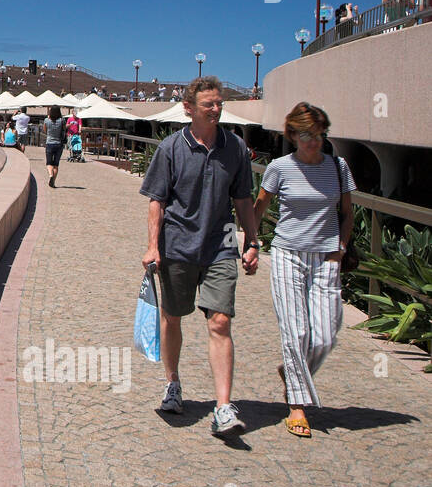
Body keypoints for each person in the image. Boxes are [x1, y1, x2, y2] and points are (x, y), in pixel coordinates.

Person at [139, 76, 260, 438]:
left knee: (220, 322)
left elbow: (242, 200)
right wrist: (152, 245)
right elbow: (156, 200)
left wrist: (253, 241)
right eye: (209, 104)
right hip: (177, 247)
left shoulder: (235, 148)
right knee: (172, 318)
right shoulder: (172, 149)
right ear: (189, 109)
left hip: (219, 246)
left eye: (219, 103)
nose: (216, 109)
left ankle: (223, 406)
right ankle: (173, 384)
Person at [253, 102, 355, 438]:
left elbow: (347, 213)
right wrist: (251, 244)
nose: (315, 141)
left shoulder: (338, 168)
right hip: (288, 254)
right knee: (296, 332)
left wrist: (340, 250)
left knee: (325, 335)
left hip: (326, 256)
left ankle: (292, 371)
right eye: (308, 135)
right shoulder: (280, 168)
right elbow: (260, 206)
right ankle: (296, 406)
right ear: (293, 134)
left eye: (320, 134)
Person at [44, 105, 66, 186]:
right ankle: (53, 182)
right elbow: (64, 130)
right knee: (56, 164)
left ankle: (50, 175)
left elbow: (45, 130)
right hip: (59, 144)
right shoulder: (62, 120)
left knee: (49, 163)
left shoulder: (46, 120)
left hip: (49, 143)